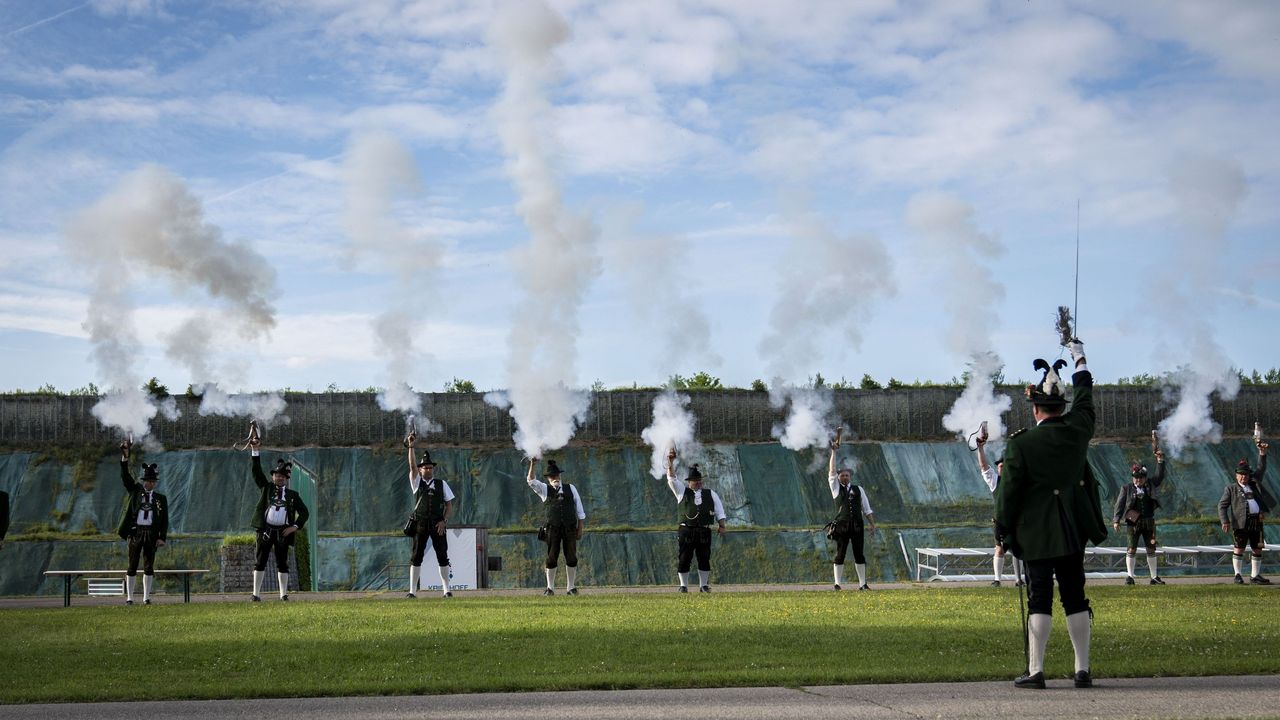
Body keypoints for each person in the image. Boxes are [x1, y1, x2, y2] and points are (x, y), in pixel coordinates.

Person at [994, 341, 1107, 690]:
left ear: (1036, 409)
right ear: (1062, 405)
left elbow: (1008, 493)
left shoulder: (1021, 444)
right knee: (1075, 595)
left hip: (1036, 533)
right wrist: (1080, 359)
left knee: (1039, 597)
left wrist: (1002, 526)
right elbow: (1085, 398)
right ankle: (1082, 669)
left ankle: (1036, 670)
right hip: (1072, 529)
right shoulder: (1078, 431)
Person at [248, 437, 309, 601]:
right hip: (265, 530)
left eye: (282, 476)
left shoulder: (292, 495)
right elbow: (256, 472)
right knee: (260, 562)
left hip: (283, 532)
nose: (279, 478)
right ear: (273, 476)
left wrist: (294, 527)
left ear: (286, 479)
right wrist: (255, 451)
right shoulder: (266, 488)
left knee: (282, 563)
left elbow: (304, 513)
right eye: (277, 475)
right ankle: (256, 594)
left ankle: (283, 595)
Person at [666, 449, 726, 592]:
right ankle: (683, 586)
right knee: (684, 557)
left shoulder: (710, 493)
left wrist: (722, 525)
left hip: (704, 530)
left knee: (704, 557)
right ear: (689, 482)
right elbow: (671, 479)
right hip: (686, 530)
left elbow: (719, 510)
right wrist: (670, 462)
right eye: (695, 481)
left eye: (699, 481)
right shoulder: (681, 491)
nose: (698, 483)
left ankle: (703, 585)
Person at [117, 441, 169, 605]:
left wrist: (162, 537)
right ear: (144, 480)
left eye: (153, 481)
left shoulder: (161, 499)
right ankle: (130, 597)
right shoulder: (135, 490)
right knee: (132, 565)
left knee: (149, 566)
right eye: (148, 480)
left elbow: (164, 520)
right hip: (135, 532)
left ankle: (146, 597)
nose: (150, 483)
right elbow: (125, 477)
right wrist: (125, 457)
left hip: (151, 534)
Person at [527, 458, 585, 595]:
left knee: (571, 556)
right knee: (552, 557)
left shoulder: (571, 488)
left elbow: (580, 509)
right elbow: (530, 481)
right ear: (548, 478)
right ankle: (550, 588)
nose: (555, 478)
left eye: (557, 475)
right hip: (552, 528)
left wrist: (580, 528)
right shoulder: (544, 489)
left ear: (560, 476)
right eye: (552, 476)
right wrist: (532, 464)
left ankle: (571, 588)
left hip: (570, 527)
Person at [405, 433, 454, 598]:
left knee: (442, 555)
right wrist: (411, 446)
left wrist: (444, 521)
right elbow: (411, 466)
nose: (429, 469)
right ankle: (412, 591)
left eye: (431, 467)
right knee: (416, 556)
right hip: (420, 523)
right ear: (420, 469)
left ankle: (446, 590)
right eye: (425, 467)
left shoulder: (441, 483)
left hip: (437, 523)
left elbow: (449, 505)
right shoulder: (416, 482)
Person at [827, 437, 878, 590]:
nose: (844, 477)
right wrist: (833, 452)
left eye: (847, 475)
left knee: (859, 554)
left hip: (857, 525)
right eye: (842, 475)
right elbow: (831, 470)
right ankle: (837, 584)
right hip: (842, 526)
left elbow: (866, 509)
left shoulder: (858, 489)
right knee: (840, 554)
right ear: (838, 477)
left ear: (850, 476)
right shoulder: (835, 488)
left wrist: (872, 524)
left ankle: (863, 584)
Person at [1219, 442, 1272, 585]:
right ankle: (1238, 575)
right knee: (1239, 548)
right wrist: (1225, 521)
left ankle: (1255, 575)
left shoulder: (1254, 483)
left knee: (1257, 548)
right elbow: (1222, 506)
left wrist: (1262, 453)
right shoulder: (1230, 489)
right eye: (1241, 474)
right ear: (1236, 475)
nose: (1244, 477)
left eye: (1246, 474)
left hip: (1257, 521)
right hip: (1241, 522)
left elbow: (1261, 468)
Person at [1112, 453, 1167, 585]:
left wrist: (1160, 461)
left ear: (1145, 478)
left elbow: (1159, 476)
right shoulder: (1126, 488)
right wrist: (1116, 520)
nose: (1138, 480)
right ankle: (1130, 577)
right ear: (1133, 478)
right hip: (1132, 522)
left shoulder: (1150, 485)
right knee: (1131, 549)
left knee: (1151, 548)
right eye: (1136, 478)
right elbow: (1119, 504)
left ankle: (1154, 577)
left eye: (1141, 477)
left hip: (1149, 522)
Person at [975, 435, 1018, 587]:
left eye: (1003, 465)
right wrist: (980, 448)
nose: (1001, 467)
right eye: (1000, 465)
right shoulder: (995, 481)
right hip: (1000, 520)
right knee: (999, 549)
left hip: (1016, 520)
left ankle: (1019, 580)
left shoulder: (1016, 481)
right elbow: (984, 466)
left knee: (1017, 550)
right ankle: (997, 579)